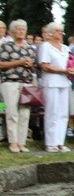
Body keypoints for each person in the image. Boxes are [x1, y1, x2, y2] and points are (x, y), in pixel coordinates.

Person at [39, 22, 74, 152]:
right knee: (52, 112)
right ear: (50, 33)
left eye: (61, 31)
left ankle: (60, 142)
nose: (60, 33)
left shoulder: (65, 48)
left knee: (63, 113)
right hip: (51, 82)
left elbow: (71, 63)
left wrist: (72, 70)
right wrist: (62, 70)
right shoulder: (46, 46)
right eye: (57, 31)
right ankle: (50, 143)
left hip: (64, 82)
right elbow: (44, 65)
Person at [0, 19, 37, 153]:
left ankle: (22, 142)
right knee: (12, 113)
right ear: (13, 31)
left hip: (26, 83)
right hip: (10, 82)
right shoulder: (6, 46)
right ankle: (13, 142)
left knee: (25, 113)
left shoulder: (30, 49)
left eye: (23, 29)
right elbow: (1, 64)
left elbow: (34, 68)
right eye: (18, 29)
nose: (21, 32)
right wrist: (19, 62)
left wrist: (29, 66)